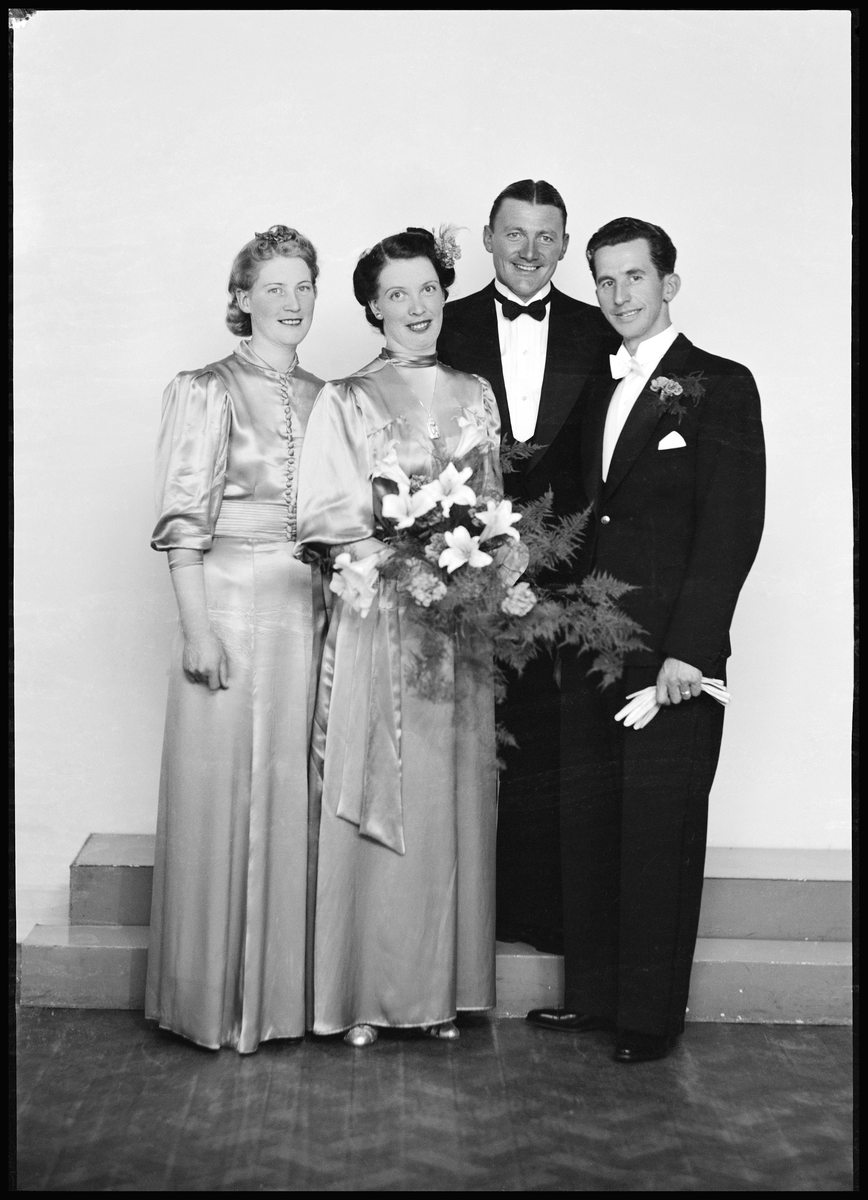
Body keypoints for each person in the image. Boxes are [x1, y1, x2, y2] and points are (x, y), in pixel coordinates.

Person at [527, 217, 766, 1062]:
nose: (619, 294)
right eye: (604, 279)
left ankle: (648, 1019)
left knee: (659, 836)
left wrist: (690, 652)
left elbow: (731, 527)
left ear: (669, 282)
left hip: (670, 656)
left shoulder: (721, 385)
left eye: (634, 276)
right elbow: (578, 517)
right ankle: (595, 1000)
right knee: (592, 831)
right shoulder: (599, 389)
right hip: (590, 648)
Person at [295, 226, 501, 1047]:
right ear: (373, 308)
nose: (416, 306)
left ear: (444, 293)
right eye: (396, 294)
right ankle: (365, 996)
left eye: (427, 289)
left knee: (450, 800)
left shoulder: (475, 392)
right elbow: (325, 520)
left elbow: (492, 503)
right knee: (389, 791)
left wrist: (489, 554)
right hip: (382, 621)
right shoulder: (346, 399)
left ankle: (440, 993)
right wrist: (407, 560)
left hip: (459, 629)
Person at [146, 225, 326, 1053]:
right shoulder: (205, 389)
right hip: (225, 603)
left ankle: (281, 1004)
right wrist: (197, 631)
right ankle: (211, 1004)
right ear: (243, 298)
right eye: (274, 287)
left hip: (309, 612)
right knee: (223, 797)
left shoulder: (329, 396)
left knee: (294, 793)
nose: (292, 302)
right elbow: (183, 521)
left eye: (303, 287)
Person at [438, 180, 618, 953]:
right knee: (464, 737)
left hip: (568, 571)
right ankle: (459, 919)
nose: (530, 250)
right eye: (516, 233)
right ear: (488, 237)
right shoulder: (441, 324)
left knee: (549, 744)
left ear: (567, 247)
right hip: (455, 566)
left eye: (548, 236)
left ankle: (539, 915)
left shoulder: (600, 329)